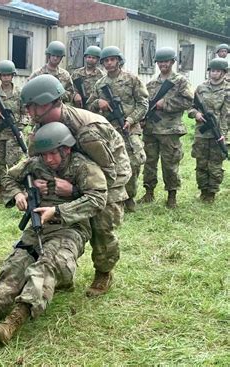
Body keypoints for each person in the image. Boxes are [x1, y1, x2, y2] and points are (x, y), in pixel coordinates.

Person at [0, 122, 108, 344]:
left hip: (70, 229)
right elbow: (7, 178)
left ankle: (14, 319)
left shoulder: (83, 167)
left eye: (52, 154)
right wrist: (18, 194)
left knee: (48, 264)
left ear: (66, 149)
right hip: (39, 225)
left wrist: (57, 210)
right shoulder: (35, 163)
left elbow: (98, 199)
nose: (47, 160)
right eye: (44, 154)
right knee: (16, 264)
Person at [21, 74, 131, 297]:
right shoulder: (42, 126)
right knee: (60, 222)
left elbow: (107, 174)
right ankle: (60, 272)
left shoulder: (88, 130)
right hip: (73, 172)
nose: (29, 112)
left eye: (32, 106)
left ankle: (103, 272)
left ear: (47, 102)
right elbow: (33, 160)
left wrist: (76, 191)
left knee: (101, 224)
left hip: (110, 177)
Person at [88, 46, 148, 213]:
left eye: (112, 59)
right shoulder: (100, 84)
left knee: (134, 163)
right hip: (108, 130)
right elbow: (89, 107)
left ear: (119, 60)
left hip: (129, 128)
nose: (109, 63)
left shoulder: (132, 79)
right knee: (109, 163)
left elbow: (143, 103)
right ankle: (115, 198)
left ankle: (130, 198)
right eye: (106, 60)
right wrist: (98, 103)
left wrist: (131, 119)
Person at [139, 47, 194, 209]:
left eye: (166, 61)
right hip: (151, 130)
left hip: (170, 130)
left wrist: (167, 104)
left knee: (170, 163)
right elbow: (145, 105)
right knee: (149, 162)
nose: (163, 64)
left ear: (172, 62)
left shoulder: (181, 81)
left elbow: (189, 101)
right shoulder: (151, 84)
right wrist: (142, 119)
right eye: (160, 61)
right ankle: (149, 192)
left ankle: (172, 195)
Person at [188, 58, 229, 203]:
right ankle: (203, 190)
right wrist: (196, 114)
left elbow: (227, 114)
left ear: (224, 73)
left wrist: (223, 134)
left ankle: (211, 193)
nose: (214, 73)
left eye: (218, 71)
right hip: (202, 132)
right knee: (201, 163)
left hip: (218, 133)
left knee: (215, 164)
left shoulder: (228, 90)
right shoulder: (201, 88)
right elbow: (191, 107)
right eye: (212, 70)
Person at [0, 60, 29, 189]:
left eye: (8, 75)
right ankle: (1, 187)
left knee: (13, 161)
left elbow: (26, 112)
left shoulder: (20, 92)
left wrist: (20, 126)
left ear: (13, 75)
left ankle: (14, 187)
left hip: (13, 134)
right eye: (3, 75)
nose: (6, 78)